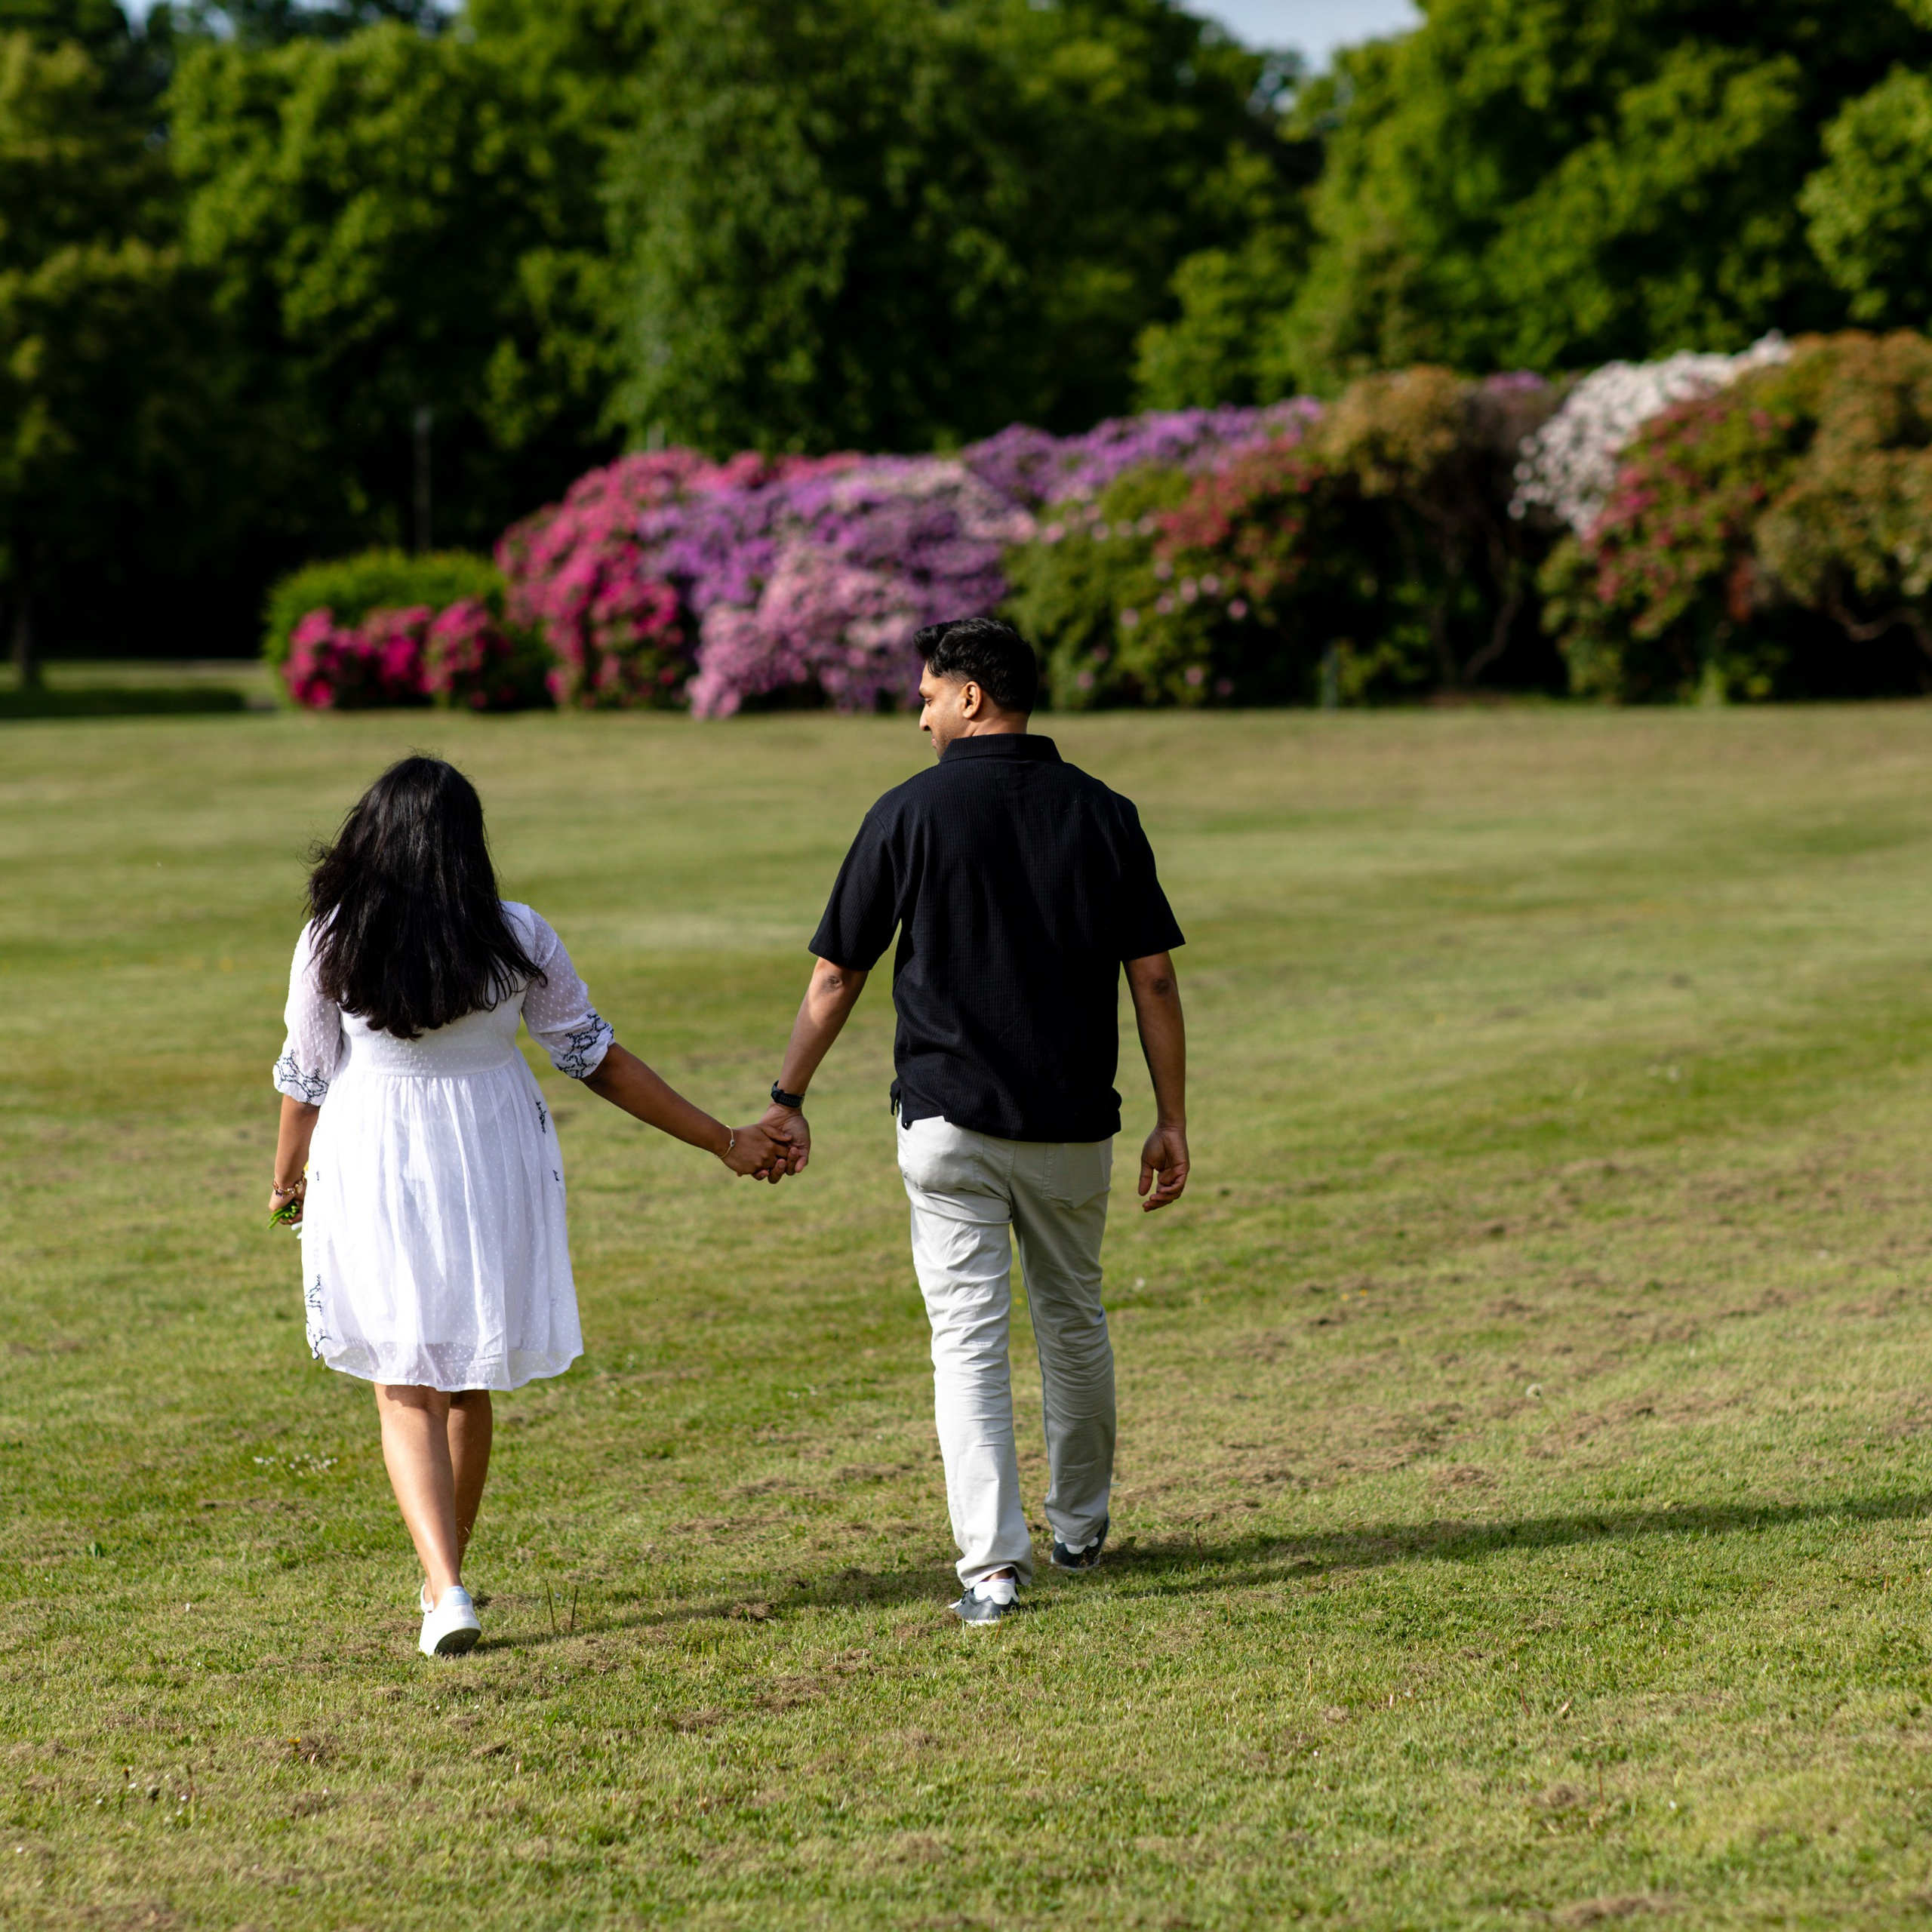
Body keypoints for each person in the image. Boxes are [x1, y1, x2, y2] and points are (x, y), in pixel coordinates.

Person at [268, 755, 787, 1657]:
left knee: (404, 1379)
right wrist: (722, 1139)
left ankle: (446, 1588)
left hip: (376, 1149)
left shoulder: (334, 935)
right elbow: (596, 1057)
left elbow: (305, 1077)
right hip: (493, 1148)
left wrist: (286, 1177)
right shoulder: (515, 933)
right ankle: (445, 1582)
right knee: (465, 1373)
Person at [757, 617, 1190, 1626]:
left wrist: (787, 1097)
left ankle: (992, 1570)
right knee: (1074, 1324)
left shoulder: (908, 812)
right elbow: (1156, 979)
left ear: (972, 697)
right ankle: (1079, 1530)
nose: (918, 717)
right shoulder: (1104, 812)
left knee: (967, 1342)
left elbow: (837, 975)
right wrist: (1172, 1118)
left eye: (925, 696)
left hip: (948, 1123)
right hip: (1076, 1124)